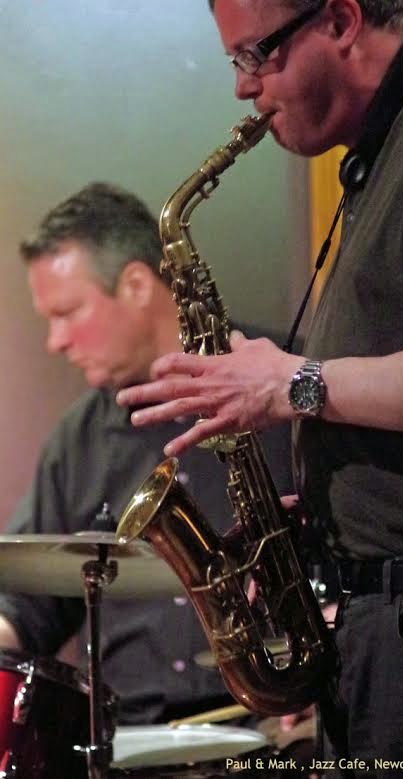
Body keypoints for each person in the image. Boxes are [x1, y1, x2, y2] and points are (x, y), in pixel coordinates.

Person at [116, 0, 403, 776]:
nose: (242, 88)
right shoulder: (386, 153)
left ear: (339, 20)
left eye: (254, 56)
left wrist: (292, 383)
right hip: (399, 627)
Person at [0, 181, 294, 729]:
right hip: (131, 738)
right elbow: (27, 607)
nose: (55, 341)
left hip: (275, 729)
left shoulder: (279, 386)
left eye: (67, 312)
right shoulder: (77, 440)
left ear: (136, 285)